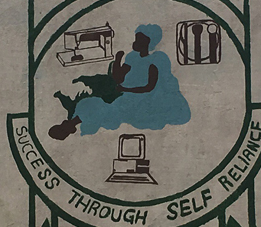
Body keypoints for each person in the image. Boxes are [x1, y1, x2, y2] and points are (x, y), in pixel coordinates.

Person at [50, 24, 190, 140]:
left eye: (140, 40)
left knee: (109, 109)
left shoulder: (156, 59)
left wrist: (126, 89)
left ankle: (73, 122)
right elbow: (118, 77)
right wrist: (117, 59)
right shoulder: (132, 57)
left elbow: (149, 87)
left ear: (149, 42)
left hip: (146, 97)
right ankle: (74, 122)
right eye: (136, 39)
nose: (135, 42)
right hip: (126, 91)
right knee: (99, 103)